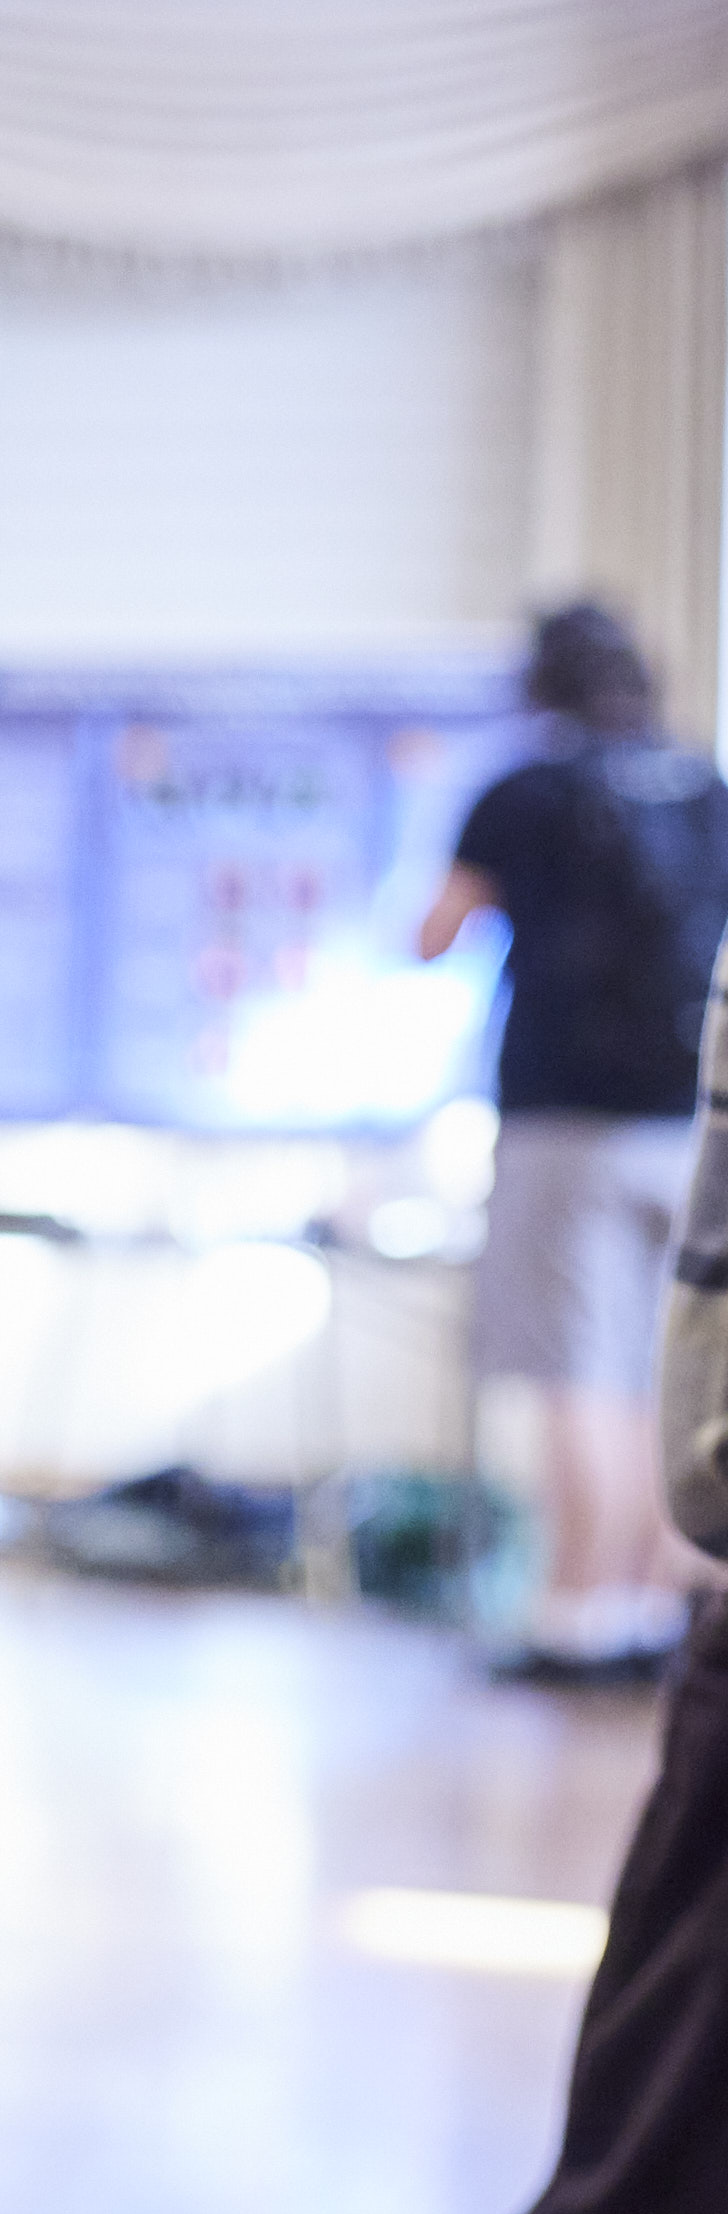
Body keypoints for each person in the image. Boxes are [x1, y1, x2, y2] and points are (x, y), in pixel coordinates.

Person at [423, 598, 728, 1685]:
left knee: (577, 1376)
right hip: (691, 1125)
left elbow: (434, 936)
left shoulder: (524, 792)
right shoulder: (704, 787)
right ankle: (652, 1615)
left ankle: (575, 1615)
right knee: (660, 1376)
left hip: (565, 1121)